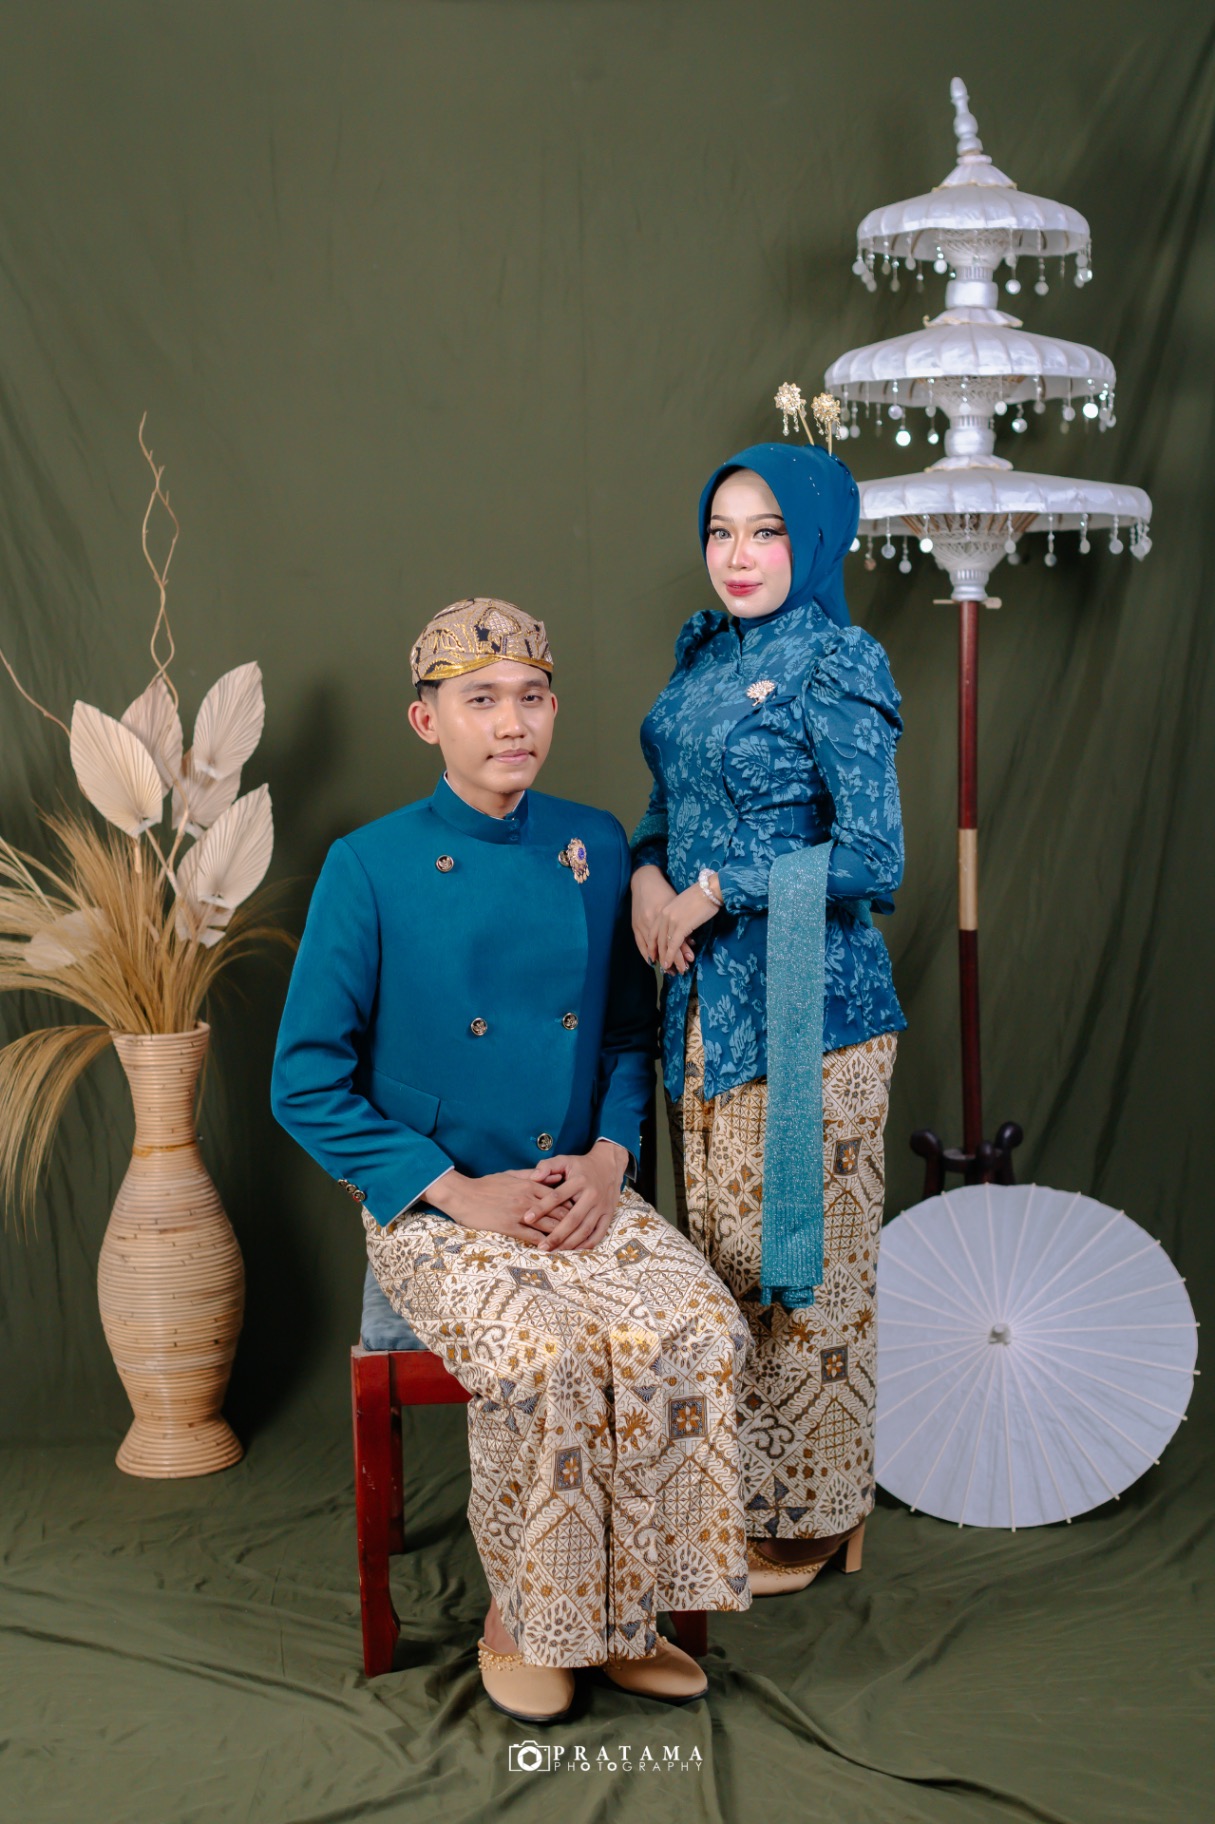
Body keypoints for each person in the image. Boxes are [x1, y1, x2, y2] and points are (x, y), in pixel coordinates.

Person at [271, 598, 751, 1722]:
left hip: (579, 1184)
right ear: (425, 720)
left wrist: (612, 1159)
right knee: (545, 1354)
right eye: (479, 700)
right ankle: (525, 1620)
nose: (510, 722)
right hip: (436, 1204)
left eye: (531, 697)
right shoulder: (368, 864)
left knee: (700, 1326)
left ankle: (626, 1616)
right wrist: (452, 1190)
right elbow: (304, 1081)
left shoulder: (593, 845)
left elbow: (626, 1036)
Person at [629, 438, 905, 1596]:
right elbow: (668, 806)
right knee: (723, 1263)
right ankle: (740, 1496)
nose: (738, 556)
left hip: (815, 1010)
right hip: (704, 1006)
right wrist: (649, 877)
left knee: (810, 1274)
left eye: (768, 532)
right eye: (721, 531)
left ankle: (815, 1515)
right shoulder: (703, 654)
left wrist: (717, 890)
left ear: (816, 539)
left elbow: (876, 853)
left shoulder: (837, 659)